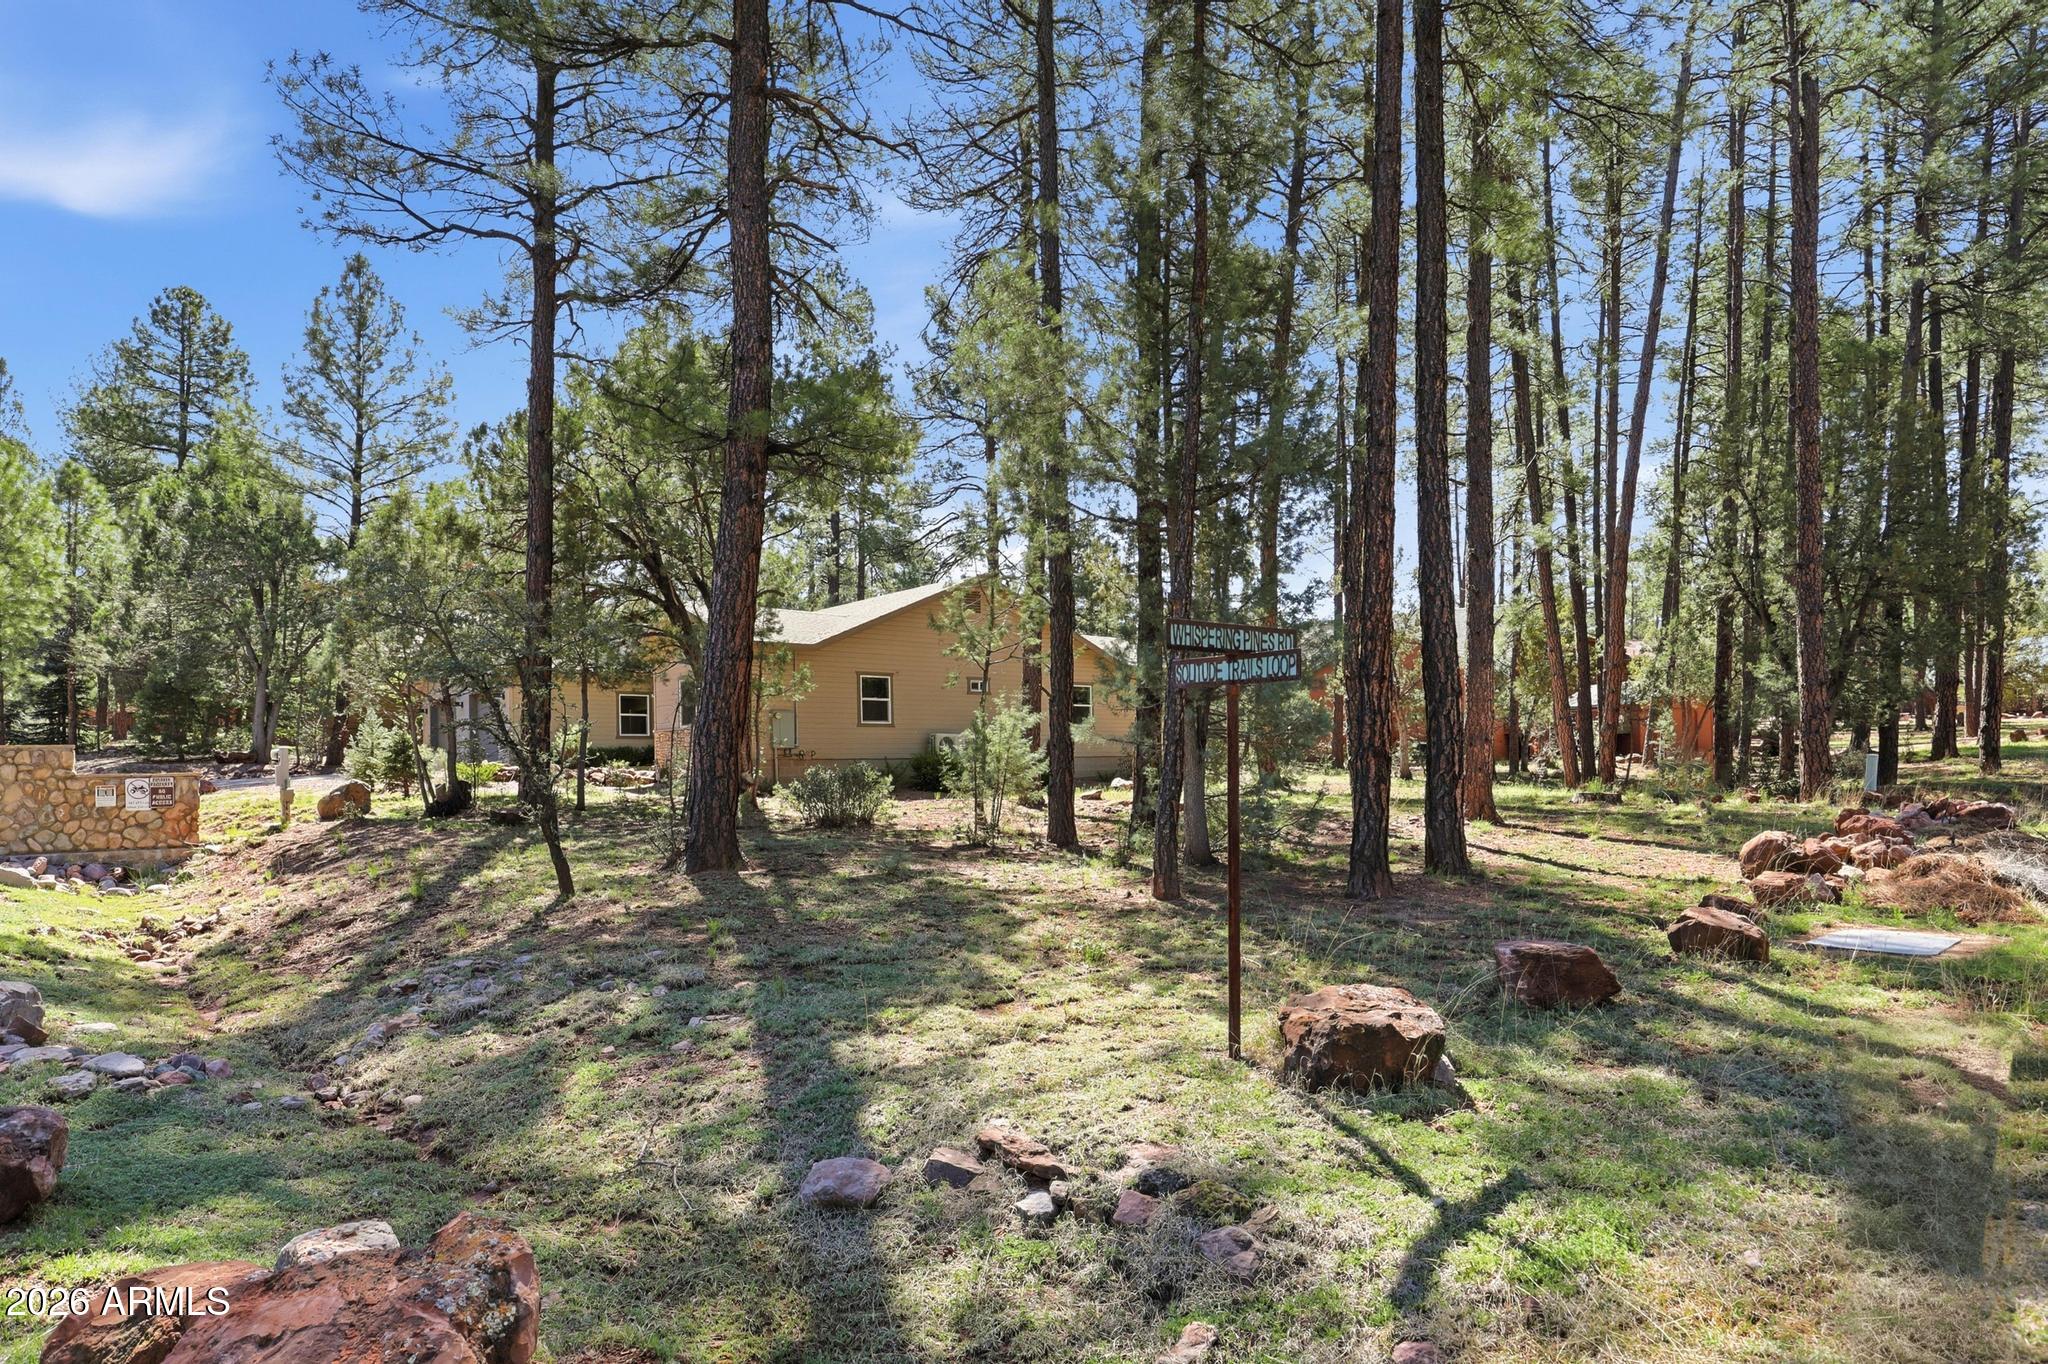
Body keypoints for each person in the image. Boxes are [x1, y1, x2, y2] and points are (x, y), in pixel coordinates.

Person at [273, 746, 295, 826]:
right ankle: (285, 819)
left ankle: (286, 818)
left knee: (286, 799)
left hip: (285, 785)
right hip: (283, 785)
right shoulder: (279, 755)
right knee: (284, 797)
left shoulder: (282, 755)